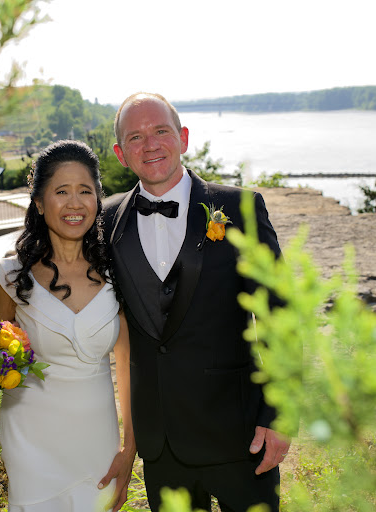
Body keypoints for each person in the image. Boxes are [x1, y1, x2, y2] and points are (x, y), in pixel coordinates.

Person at [103, 93, 291, 512]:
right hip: (162, 445)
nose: (150, 145)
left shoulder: (240, 208)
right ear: (120, 154)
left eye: (160, 131)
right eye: (135, 137)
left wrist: (279, 413)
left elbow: (280, 315)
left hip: (241, 435)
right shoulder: (107, 220)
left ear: (183, 138)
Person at [0, 140, 136, 512]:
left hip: (97, 444)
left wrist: (129, 448)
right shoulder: (10, 278)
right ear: (39, 203)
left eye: (85, 191)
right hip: (29, 443)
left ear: (97, 199)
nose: (75, 203)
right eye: (61, 192)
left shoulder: (118, 274)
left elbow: (127, 367)